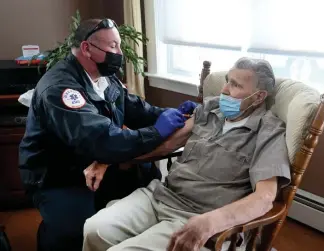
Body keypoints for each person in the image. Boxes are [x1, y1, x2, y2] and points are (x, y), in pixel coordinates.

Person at [18, 18, 197, 251]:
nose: (119, 53)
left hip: (94, 163)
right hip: (58, 175)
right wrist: (156, 131)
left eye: (119, 46)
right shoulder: (61, 89)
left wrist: (170, 114)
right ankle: (51, 237)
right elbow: (103, 140)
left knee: (147, 176)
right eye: (113, 47)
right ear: (86, 49)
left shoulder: (104, 75)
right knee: (76, 231)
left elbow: (135, 108)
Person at [82, 57, 292, 251]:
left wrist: (212, 222)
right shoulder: (211, 109)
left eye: (236, 85)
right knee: (94, 229)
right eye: (228, 81)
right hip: (162, 196)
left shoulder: (268, 132)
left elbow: (264, 198)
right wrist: (110, 160)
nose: (225, 90)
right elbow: (167, 145)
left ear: (259, 97)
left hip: (198, 216)